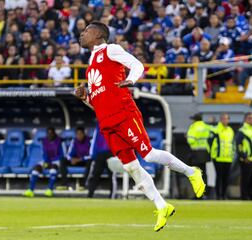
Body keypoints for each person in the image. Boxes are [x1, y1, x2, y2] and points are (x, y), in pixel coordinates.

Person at [75, 21, 205, 232]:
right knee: (130, 166)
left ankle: (192, 173)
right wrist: (85, 99)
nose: (82, 34)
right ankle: (162, 206)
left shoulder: (111, 50)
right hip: (107, 122)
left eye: (86, 30)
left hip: (123, 114)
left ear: (98, 34)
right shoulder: (91, 65)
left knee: (149, 154)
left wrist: (131, 80)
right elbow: (98, 103)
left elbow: (137, 65)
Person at [23, 127, 65, 198]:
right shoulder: (44, 141)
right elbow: (44, 153)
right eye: (48, 133)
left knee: (53, 168)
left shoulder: (60, 141)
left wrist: (51, 162)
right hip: (47, 160)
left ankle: (50, 189)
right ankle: (30, 190)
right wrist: (46, 162)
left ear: (54, 133)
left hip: (57, 160)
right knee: (36, 168)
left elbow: (62, 154)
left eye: (51, 133)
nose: (50, 135)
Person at [208, 113, 234, 200]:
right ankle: (219, 195)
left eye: (226, 119)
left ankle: (224, 195)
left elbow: (232, 144)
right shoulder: (216, 129)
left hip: (228, 158)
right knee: (219, 177)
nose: (224, 120)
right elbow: (209, 142)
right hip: (218, 157)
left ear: (228, 120)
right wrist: (212, 154)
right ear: (220, 120)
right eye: (223, 119)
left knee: (226, 178)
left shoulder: (230, 130)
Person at [87, 125, 117, 199]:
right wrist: (93, 155)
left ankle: (112, 196)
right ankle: (89, 196)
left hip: (111, 154)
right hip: (100, 154)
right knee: (95, 175)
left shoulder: (116, 124)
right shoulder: (99, 125)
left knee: (112, 176)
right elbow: (95, 140)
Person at [236, 112, 252, 200]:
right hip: (247, 160)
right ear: (245, 120)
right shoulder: (242, 131)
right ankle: (244, 197)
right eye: (250, 118)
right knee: (246, 180)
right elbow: (238, 146)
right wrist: (244, 157)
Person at [187, 113, 212, 183]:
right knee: (204, 172)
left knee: (196, 173)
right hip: (204, 153)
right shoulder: (206, 126)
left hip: (196, 153)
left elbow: (191, 141)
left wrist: (187, 137)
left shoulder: (193, 127)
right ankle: (205, 191)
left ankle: (198, 192)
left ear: (195, 120)